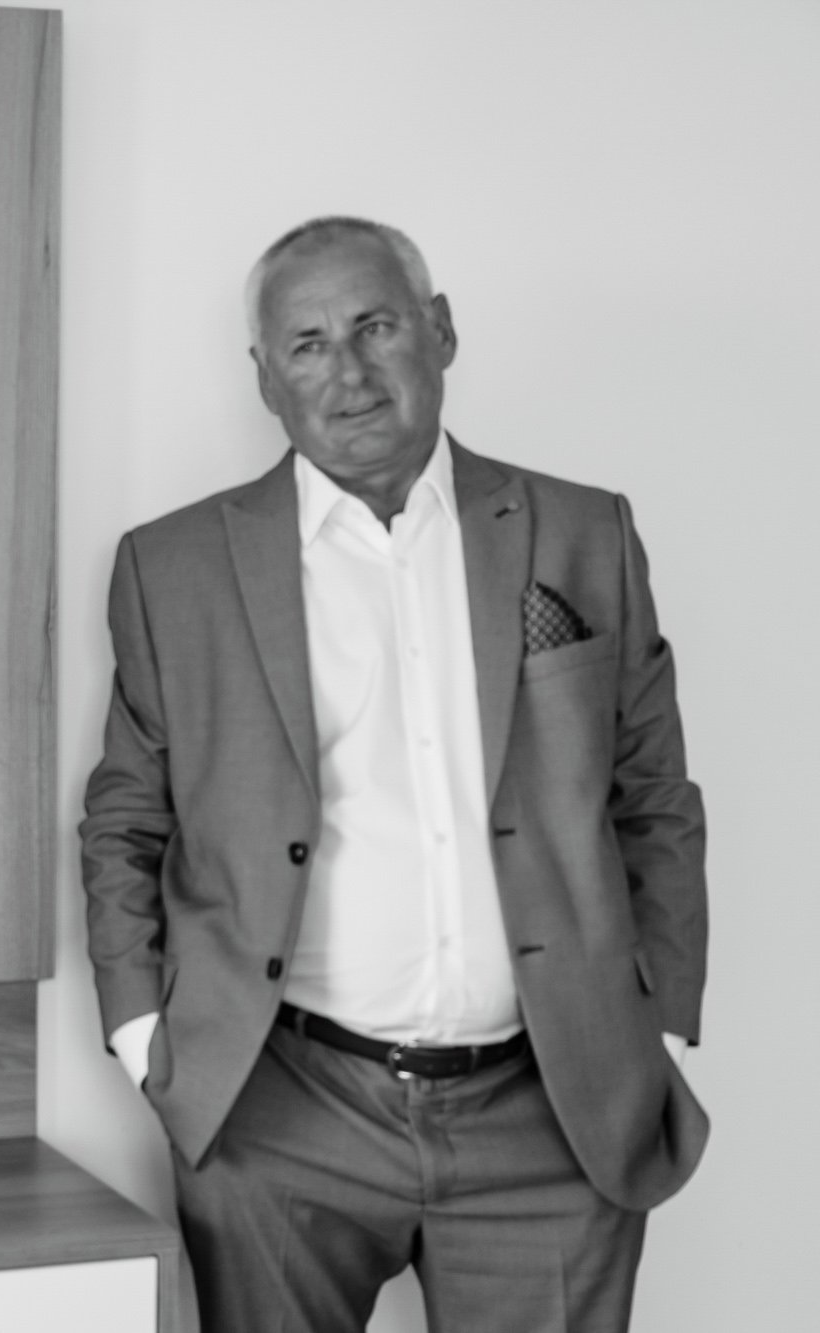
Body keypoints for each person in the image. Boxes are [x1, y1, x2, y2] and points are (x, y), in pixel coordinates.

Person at [80, 218, 708, 1332]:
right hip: (278, 1111)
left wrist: (646, 1027)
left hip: (551, 1111)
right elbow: (126, 816)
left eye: (374, 326)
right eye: (308, 342)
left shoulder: (579, 533)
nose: (349, 370)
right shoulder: (170, 567)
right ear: (264, 377)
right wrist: (145, 1038)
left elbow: (651, 793)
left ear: (440, 331)